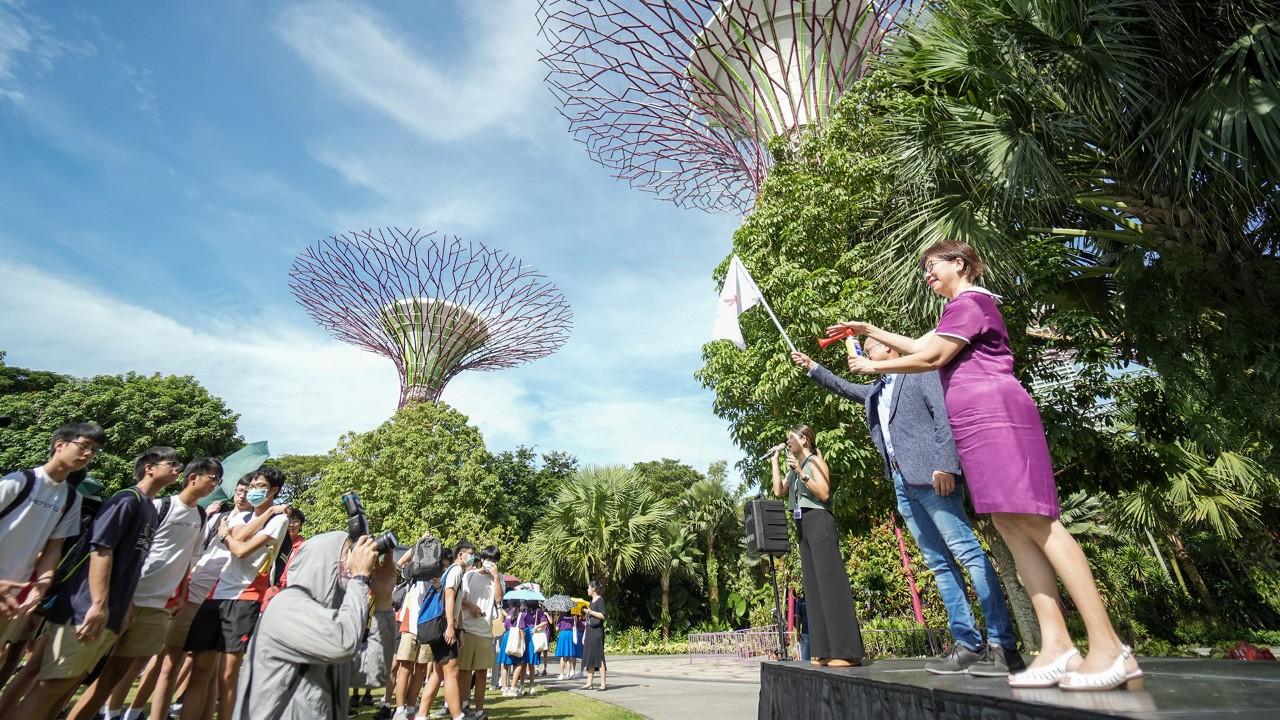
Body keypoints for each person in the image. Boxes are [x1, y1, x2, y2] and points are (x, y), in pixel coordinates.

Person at [832, 239, 1142, 691]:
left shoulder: (971, 301)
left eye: (932, 266)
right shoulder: (955, 311)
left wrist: (874, 368)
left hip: (997, 415)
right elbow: (923, 343)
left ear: (960, 264)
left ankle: (1109, 646)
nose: (926, 275)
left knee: (1038, 524)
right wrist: (872, 328)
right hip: (975, 423)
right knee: (1010, 527)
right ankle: (1056, 646)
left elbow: (933, 356)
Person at [791, 345, 1023, 676]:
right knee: (939, 563)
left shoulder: (920, 372)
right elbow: (844, 387)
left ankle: (1003, 645)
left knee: (967, 553)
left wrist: (946, 465)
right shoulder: (877, 389)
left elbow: (944, 415)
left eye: (867, 348)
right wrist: (813, 366)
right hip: (901, 481)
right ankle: (967, 644)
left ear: (888, 348)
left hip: (932, 477)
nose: (862, 353)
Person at [14, 447, 181, 720]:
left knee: (66, 686)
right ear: (149, 467)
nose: (177, 469)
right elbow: (100, 550)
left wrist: (123, 605)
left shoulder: (150, 509)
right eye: (171, 463)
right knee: (50, 685)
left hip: (112, 612)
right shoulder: (127, 500)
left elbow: (132, 563)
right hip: (86, 609)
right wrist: (99, 604)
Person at [66, 457, 223, 720]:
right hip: (128, 599)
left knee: (120, 671)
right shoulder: (160, 506)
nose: (215, 484)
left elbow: (187, 561)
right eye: (212, 478)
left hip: (158, 606)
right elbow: (135, 552)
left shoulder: (200, 516)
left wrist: (180, 596)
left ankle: (106, 713)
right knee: (83, 669)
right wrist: (123, 597)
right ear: (193, 477)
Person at [232, 532, 397, 720]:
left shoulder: (330, 619)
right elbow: (343, 645)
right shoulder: (286, 607)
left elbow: (374, 673)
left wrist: (383, 600)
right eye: (349, 553)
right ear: (324, 562)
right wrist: (359, 580)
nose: (354, 562)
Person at [182, 468, 290, 720]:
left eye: (260, 486)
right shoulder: (247, 517)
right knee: (199, 672)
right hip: (215, 596)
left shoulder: (280, 520)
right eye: (251, 486)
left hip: (245, 596)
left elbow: (240, 550)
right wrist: (265, 513)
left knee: (227, 677)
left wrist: (226, 536)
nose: (253, 491)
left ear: (273, 491)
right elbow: (239, 536)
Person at [0, 423, 103, 647]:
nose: (88, 454)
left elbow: (54, 547)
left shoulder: (71, 498)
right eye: (84, 446)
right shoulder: (19, 481)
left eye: (94, 450)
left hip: (13, 594)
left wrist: (41, 586)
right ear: (59, 445)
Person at [769, 426, 864, 668]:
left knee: (831, 583)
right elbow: (779, 491)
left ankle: (847, 651)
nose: (787, 440)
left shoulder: (815, 462)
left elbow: (823, 492)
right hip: (802, 524)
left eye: (791, 437)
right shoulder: (793, 468)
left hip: (819, 520)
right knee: (814, 587)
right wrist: (775, 461)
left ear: (803, 439)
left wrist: (801, 472)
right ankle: (824, 650)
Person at [416, 541, 480, 720]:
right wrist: (451, 627)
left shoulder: (452, 571)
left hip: (445, 625)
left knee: (438, 673)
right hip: (444, 626)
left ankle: (421, 715)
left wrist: (459, 628)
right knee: (452, 671)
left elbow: (457, 603)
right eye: (470, 553)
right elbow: (449, 597)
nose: (472, 557)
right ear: (460, 554)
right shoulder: (456, 570)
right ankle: (458, 715)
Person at [457, 545, 504, 714]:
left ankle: (479, 710)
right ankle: (462, 706)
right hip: (468, 629)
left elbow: (499, 599)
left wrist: (496, 577)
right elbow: (459, 599)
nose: (490, 563)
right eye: (487, 559)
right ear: (482, 559)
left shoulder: (499, 578)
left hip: (485, 631)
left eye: (494, 561)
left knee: (482, 672)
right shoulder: (469, 575)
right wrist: (471, 606)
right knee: (464, 671)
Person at [579, 581, 607, 691]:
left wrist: (591, 612)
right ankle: (589, 683)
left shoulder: (600, 600)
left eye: (588, 588)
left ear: (594, 589)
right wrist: (585, 634)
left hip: (597, 632)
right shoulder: (591, 602)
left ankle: (603, 684)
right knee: (589, 656)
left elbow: (602, 615)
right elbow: (588, 620)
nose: (587, 590)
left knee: (599, 657)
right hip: (590, 631)